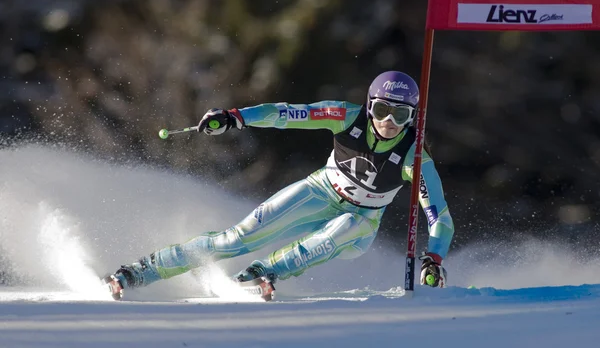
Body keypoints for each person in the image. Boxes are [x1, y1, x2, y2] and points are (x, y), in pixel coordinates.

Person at [103, 70, 454, 300]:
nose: (389, 123)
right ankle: (141, 270)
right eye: (381, 112)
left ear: (413, 117)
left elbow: (439, 216)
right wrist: (236, 117)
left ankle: (269, 271)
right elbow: (287, 114)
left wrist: (433, 258)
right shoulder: (345, 116)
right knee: (237, 238)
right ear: (368, 106)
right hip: (322, 190)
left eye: (401, 115)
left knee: (342, 228)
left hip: (362, 220)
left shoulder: (414, 156)